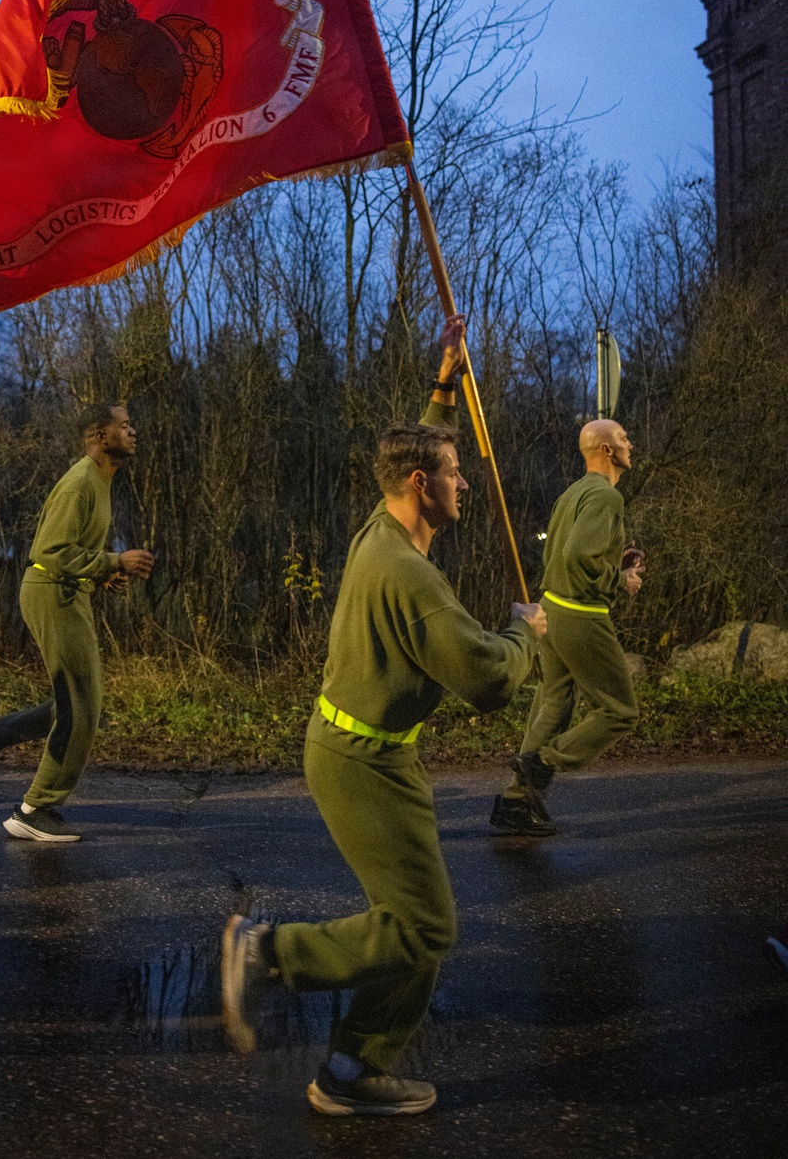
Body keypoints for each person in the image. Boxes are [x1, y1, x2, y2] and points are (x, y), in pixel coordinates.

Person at [222, 383, 547, 1117]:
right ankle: (270, 954)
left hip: (375, 753)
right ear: (418, 485)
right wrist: (528, 629)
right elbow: (489, 677)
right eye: (453, 472)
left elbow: (418, 447)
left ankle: (353, 1067)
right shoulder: (413, 578)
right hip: (358, 760)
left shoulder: (384, 527)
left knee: (411, 922)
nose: (464, 481)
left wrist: (443, 383)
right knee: (426, 924)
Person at [0, 402, 154, 842]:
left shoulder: (100, 481)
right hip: (51, 593)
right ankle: (35, 809)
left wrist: (104, 573)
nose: (133, 431)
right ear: (101, 436)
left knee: (74, 704)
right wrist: (113, 559)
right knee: (82, 705)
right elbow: (48, 551)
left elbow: (72, 551)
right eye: (125, 425)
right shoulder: (81, 482)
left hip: (65, 592)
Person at [490, 418, 645, 838]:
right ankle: (545, 763)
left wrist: (617, 560)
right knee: (619, 711)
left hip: (550, 609)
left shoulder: (573, 492)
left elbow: (566, 552)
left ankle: (514, 803)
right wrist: (621, 579)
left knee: (554, 703)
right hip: (581, 615)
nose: (632, 444)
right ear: (608, 450)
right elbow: (580, 555)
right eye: (625, 438)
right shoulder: (606, 497)